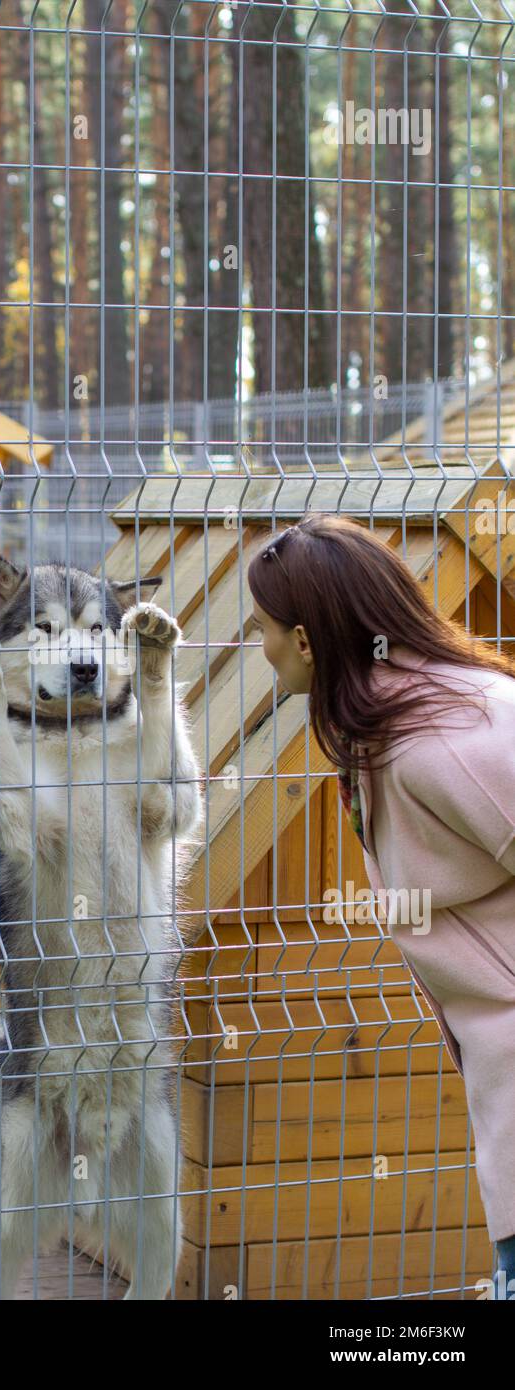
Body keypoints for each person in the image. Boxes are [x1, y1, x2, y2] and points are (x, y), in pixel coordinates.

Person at [247, 512, 515, 1298]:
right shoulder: (394, 716)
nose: (256, 649)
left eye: (263, 629)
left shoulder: (445, 742)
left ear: (304, 641)